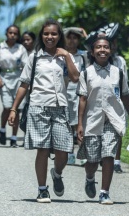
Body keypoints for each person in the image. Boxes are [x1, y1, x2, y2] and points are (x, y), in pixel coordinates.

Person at [8, 19, 79, 203]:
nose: (50, 37)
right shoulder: (35, 58)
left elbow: (75, 77)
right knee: (43, 149)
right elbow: (24, 84)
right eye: (46, 34)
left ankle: (56, 173)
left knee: (64, 150)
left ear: (59, 36)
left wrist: (67, 56)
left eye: (54, 34)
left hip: (60, 107)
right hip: (38, 107)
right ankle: (42, 190)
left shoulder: (64, 57)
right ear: (42, 36)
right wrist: (14, 108)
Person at [76, 36, 129, 205]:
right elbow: (82, 99)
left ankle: (104, 192)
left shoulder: (119, 73)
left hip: (113, 120)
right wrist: (80, 124)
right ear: (93, 52)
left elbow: (125, 96)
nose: (102, 50)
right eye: (99, 47)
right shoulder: (86, 73)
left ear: (111, 51)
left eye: (106, 47)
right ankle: (90, 177)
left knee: (108, 155)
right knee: (93, 161)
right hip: (92, 120)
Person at [0, 25, 29, 147]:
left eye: (15, 33)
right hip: (4, 78)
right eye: (10, 33)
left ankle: (13, 138)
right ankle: (2, 129)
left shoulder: (21, 48)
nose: (12, 35)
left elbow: (26, 65)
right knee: (7, 107)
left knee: (16, 108)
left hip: (18, 78)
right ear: (6, 33)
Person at [63, 27, 89, 165]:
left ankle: (82, 153)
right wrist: (72, 29)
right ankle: (69, 153)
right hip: (65, 90)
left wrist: (83, 33)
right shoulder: (61, 53)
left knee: (81, 123)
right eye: (69, 37)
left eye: (75, 38)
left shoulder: (83, 55)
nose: (71, 40)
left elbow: (93, 43)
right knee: (67, 123)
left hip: (81, 91)